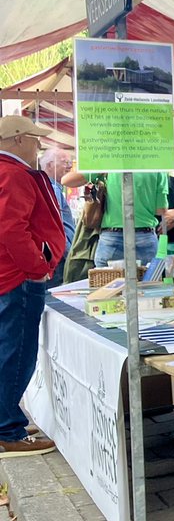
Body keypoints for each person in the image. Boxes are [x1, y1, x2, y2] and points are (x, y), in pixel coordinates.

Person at [0, 116, 66, 456]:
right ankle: (8, 430)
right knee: (17, 351)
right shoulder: (14, 174)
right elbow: (12, 230)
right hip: (18, 277)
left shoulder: (8, 172)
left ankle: (6, 419)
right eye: (33, 139)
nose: (38, 145)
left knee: (10, 350)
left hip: (11, 275)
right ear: (17, 139)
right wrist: (37, 268)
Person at [61, 169, 168, 268]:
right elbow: (160, 210)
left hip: (112, 237)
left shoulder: (109, 163)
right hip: (146, 237)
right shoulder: (155, 167)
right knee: (148, 284)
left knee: (108, 284)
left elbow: (66, 180)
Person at [39, 147, 76, 287]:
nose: (69, 166)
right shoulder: (52, 189)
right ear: (50, 165)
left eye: (70, 161)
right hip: (59, 257)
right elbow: (56, 226)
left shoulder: (48, 187)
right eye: (64, 162)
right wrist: (68, 254)